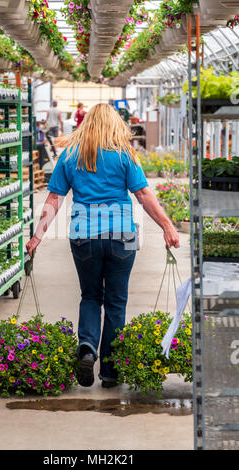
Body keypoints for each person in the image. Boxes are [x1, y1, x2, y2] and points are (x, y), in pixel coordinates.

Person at [26, 103, 179, 389]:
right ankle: (110, 372)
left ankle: (87, 347)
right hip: (122, 236)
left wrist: (37, 237)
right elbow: (144, 195)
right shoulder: (124, 155)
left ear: (86, 125)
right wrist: (167, 226)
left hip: (84, 236)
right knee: (116, 302)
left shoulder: (70, 155)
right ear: (114, 125)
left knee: (91, 296)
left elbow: (53, 200)